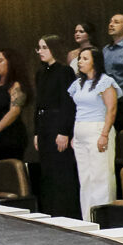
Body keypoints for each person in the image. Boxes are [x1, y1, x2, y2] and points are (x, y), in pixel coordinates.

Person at [67, 45, 119, 217]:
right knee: (85, 177)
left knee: (101, 176)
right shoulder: (78, 83)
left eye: (85, 58)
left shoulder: (105, 82)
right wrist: (74, 135)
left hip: (97, 128)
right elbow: (77, 109)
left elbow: (111, 109)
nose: (80, 62)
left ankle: (103, 218)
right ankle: (88, 218)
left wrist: (104, 134)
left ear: (95, 62)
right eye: (79, 59)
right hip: (80, 130)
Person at [32, 37, 78, 216]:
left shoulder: (65, 71)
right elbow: (38, 104)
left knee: (60, 169)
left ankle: (64, 212)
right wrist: (36, 132)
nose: (40, 51)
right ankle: (49, 210)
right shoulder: (41, 72)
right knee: (47, 171)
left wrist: (64, 131)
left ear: (54, 48)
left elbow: (68, 103)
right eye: (39, 48)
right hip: (44, 125)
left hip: (57, 124)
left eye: (44, 47)